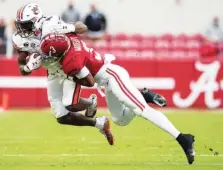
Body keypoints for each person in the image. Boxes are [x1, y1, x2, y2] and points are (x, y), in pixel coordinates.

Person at [40, 32, 195, 165]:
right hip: (106, 81)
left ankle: (183, 138)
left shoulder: (72, 60)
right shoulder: (69, 39)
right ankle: (143, 95)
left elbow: (90, 82)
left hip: (112, 75)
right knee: (120, 120)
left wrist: (68, 76)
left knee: (142, 110)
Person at [13, 3, 114, 145]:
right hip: (52, 72)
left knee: (70, 104)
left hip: (67, 65)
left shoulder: (51, 23)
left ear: (35, 20)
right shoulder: (21, 39)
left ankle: (91, 103)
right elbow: (21, 66)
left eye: (25, 24)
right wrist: (28, 68)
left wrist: (69, 27)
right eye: (20, 25)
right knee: (61, 117)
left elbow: (83, 27)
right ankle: (99, 122)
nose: (21, 29)